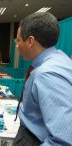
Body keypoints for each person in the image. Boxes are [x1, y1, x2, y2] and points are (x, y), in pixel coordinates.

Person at [13, 12, 72, 146]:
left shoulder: (47, 74)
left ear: (30, 41)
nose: (16, 45)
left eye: (18, 40)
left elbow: (63, 140)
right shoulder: (60, 58)